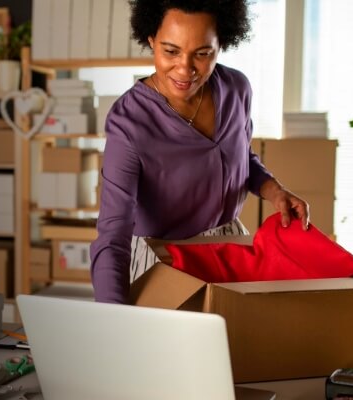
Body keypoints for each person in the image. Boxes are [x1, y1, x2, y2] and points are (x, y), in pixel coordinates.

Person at [91, 0, 310, 304]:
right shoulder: (129, 122)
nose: (185, 68)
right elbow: (113, 232)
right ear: (151, 40)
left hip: (229, 247)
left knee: (239, 347)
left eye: (203, 53)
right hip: (163, 259)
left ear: (222, 44)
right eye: (170, 51)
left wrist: (274, 191)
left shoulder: (236, 88)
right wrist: (110, 316)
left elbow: (239, 157)